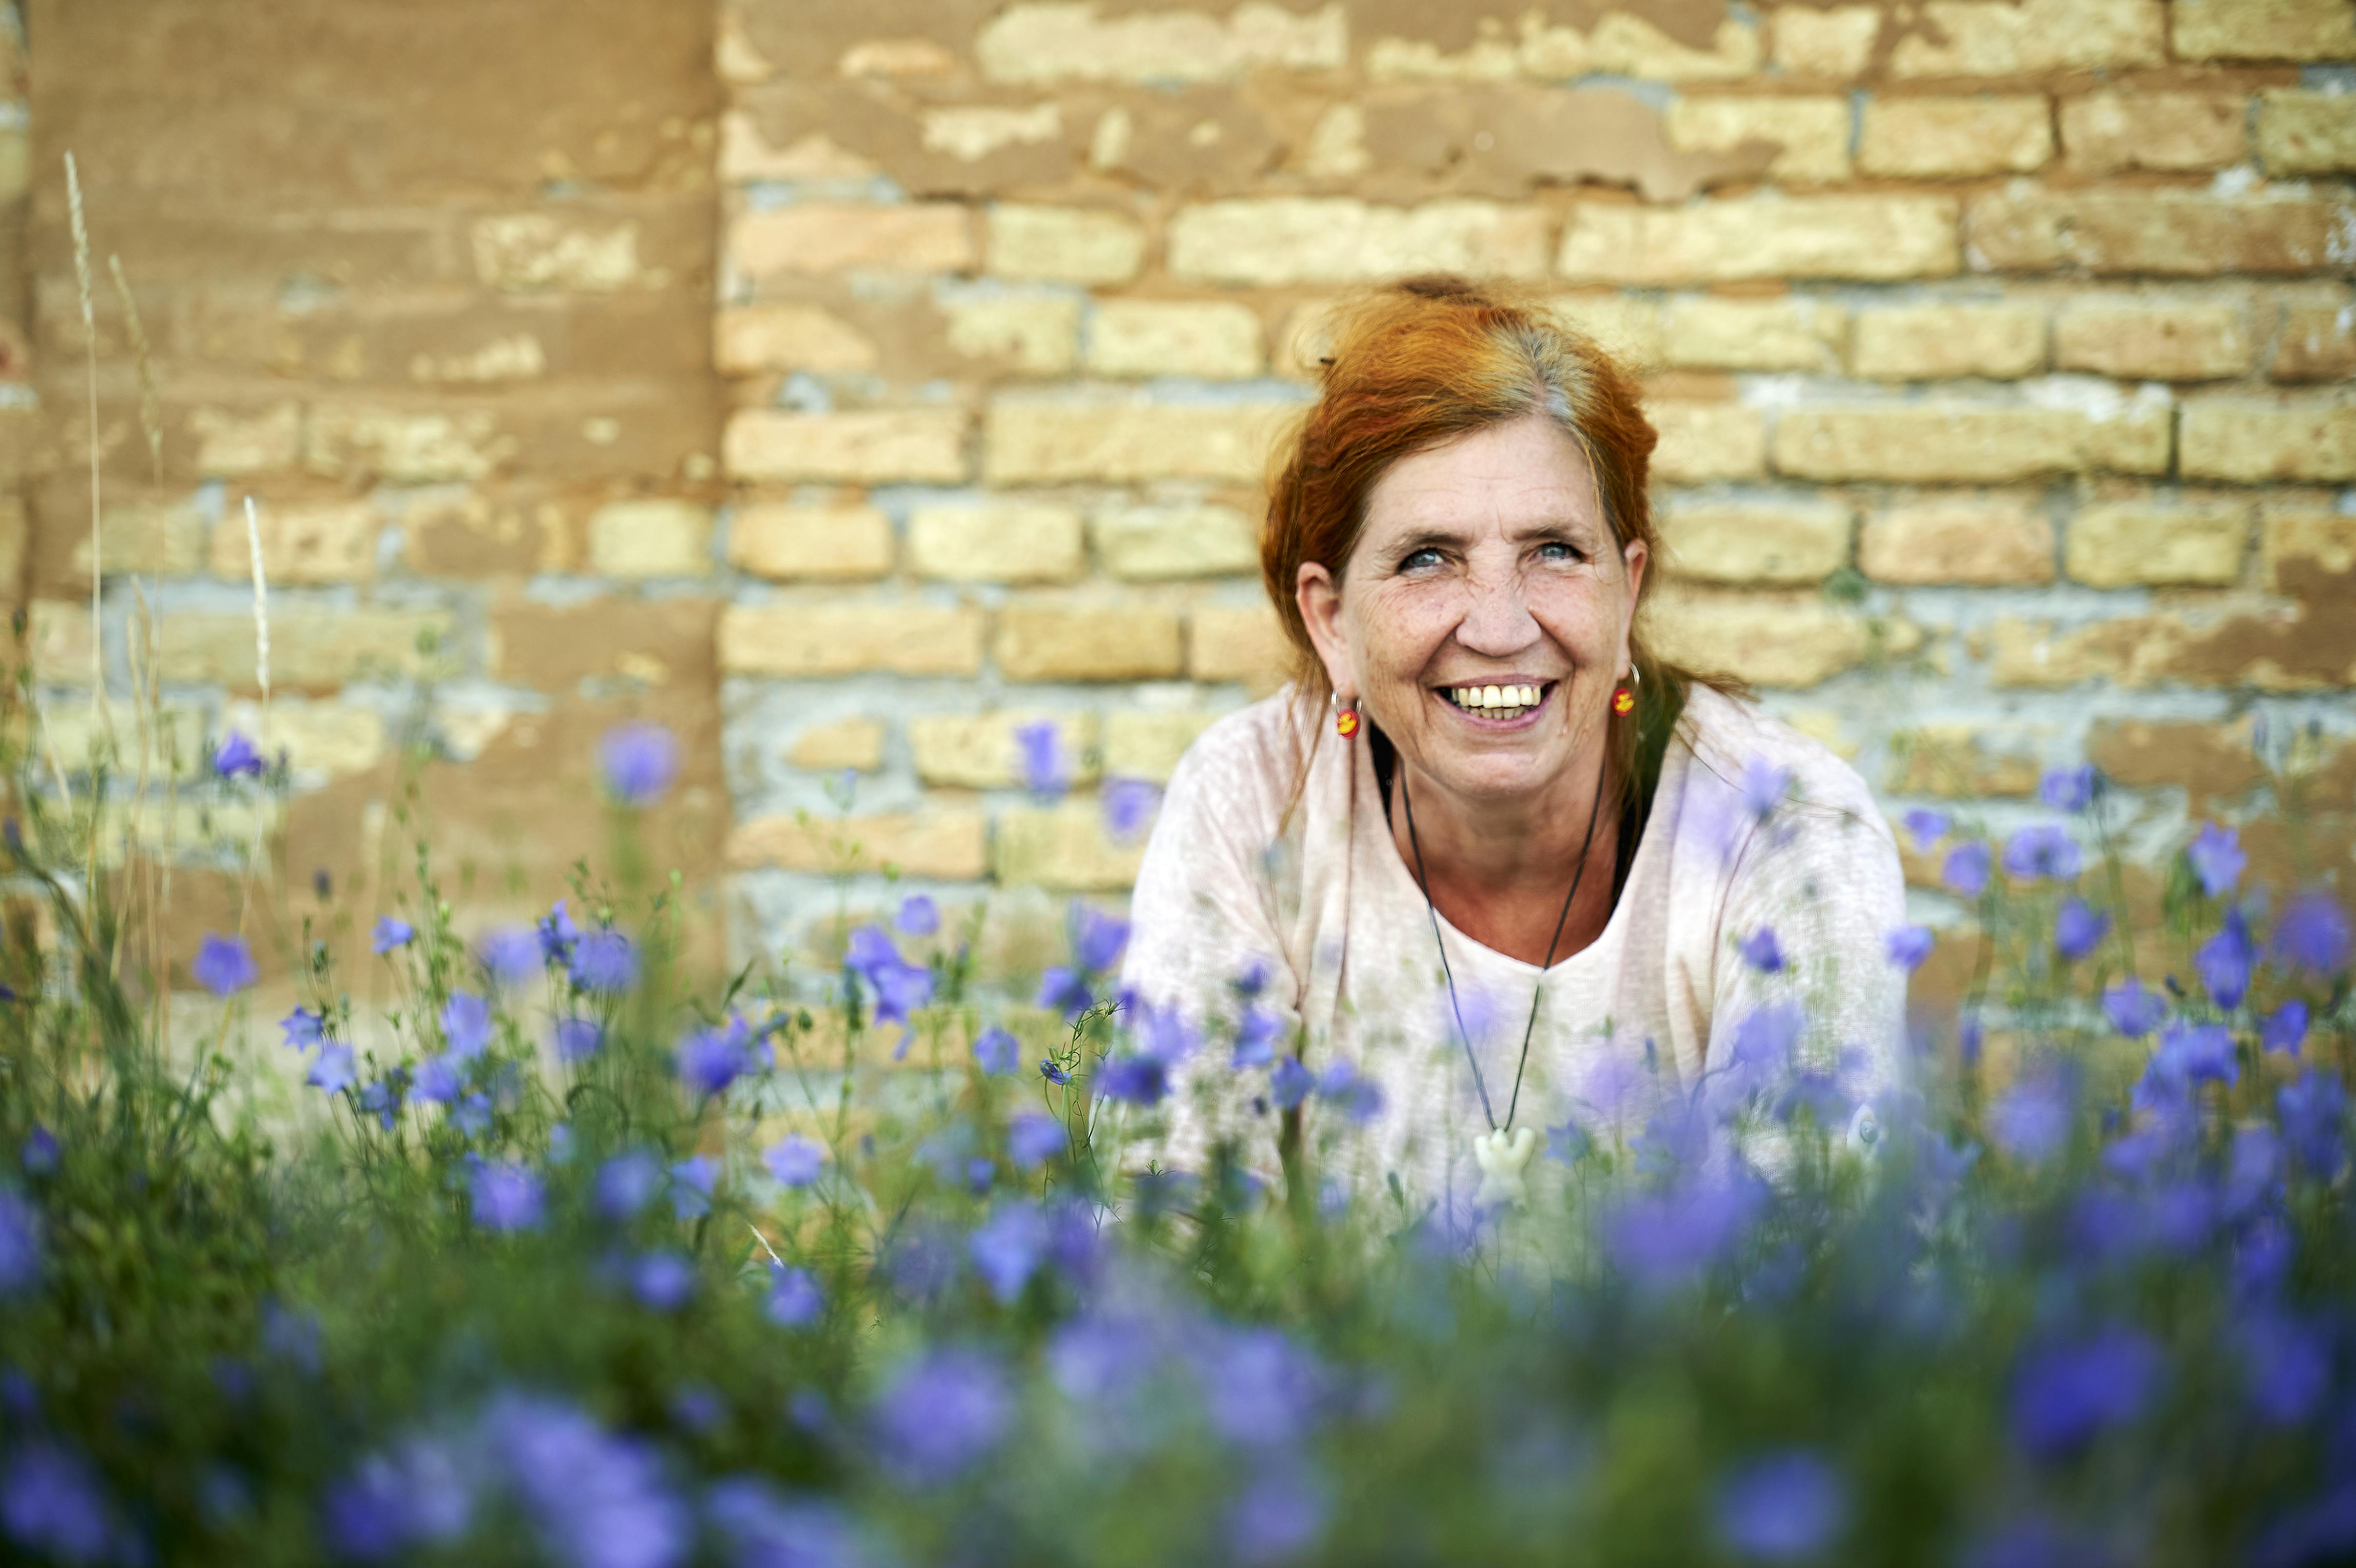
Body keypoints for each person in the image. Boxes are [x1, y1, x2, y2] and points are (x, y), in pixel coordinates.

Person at [1119, 276, 1909, 1214]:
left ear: (1627, 591)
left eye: (1553, 551)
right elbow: (1166, 1228)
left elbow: (1803, 1266)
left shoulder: (1786, 829)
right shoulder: (1251, 798)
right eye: (1427, 558)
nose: (1497, 628)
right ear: (1331, 623)